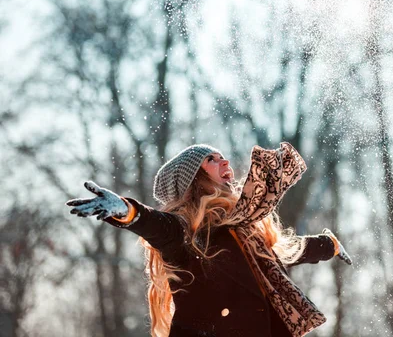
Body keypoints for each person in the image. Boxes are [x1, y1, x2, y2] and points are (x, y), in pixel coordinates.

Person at [66, 142, 352, 337]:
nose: (224, 161)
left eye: (221, 156)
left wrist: (330, 246)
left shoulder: (246, 227)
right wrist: (129, 213)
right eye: (211, 159)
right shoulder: (186, 233)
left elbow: (287, 251)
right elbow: (159, 226)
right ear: (194, 180)